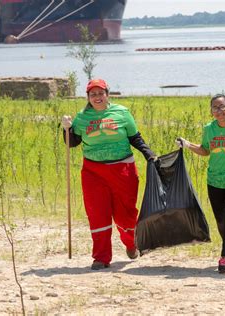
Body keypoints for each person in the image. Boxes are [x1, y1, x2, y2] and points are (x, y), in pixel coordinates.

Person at [62, 78, 157, 270]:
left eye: (100, 93)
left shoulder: (121, 113)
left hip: (123, 169)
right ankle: (101, 257)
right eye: (93, 94)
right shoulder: (81, 118)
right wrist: (66, 129)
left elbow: (135, 137)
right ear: (88, 97)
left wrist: (149, 155)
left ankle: (131, 243)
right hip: (93, 172)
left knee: (125, 215)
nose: (97, 97)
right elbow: (72, 143)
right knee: (97, 213)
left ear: (107, 94)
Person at [176, 94, 225, 274]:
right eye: (215, 108)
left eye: (222, 107)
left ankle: (224, 257)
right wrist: (188, 144)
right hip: (214, 181)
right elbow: (205, 150)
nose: (219, 111)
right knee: (220, 220)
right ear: (211, 111)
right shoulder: (209, 129)